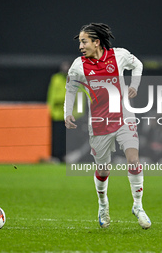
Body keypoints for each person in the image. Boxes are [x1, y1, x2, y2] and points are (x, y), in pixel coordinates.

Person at [64, 23, 151, 229]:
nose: (81, 46)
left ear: (96, 42)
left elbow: (137, 64)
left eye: (84, 42)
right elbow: (70, 89)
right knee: (103, 170)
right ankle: (103, 205)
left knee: (134, 159)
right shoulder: (79, 65)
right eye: (80, 42)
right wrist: (67, 112)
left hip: (124, 117)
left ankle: (138, 206)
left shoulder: (118, 56)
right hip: (99, 123)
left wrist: (134, 86)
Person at [47, 61, 71, 162]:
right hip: (57, 114)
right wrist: (50, 109)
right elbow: (51, 95)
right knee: (56, 136)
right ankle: (55, 156)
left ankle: (65, 156)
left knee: (66, 137)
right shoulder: (56, 79)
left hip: (68, 115)